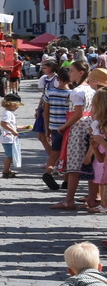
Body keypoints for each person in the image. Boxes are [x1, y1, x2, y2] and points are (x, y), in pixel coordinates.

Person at [55, 66, 101, 212]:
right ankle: (92, 199)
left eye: (71, 71)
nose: (69, 74)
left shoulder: (78, 90)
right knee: (91, 165)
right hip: (90, 125)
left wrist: (63, 127)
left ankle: (69, 200)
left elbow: (78, 113)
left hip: (78, 127)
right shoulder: (92, 90)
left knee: (74, 166)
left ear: (80, 73)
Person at [41, 58, 70, 189]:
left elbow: (45, 112)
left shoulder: (50, 92)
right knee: (68, 154)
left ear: (58, 79)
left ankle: (48, 172)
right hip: (68, 128)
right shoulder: (72, 94)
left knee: (55, 152)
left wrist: (47, 129)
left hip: (54, 126)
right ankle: (66, 180)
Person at [0, 93, 24, 179]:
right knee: (9, 156)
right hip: (7, 138)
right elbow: (4, 123)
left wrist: (24, 127)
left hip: (10, 138)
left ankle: (8, 170)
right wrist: (13, 131)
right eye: (17, 105)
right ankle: (5, 171)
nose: (18, 107)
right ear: (11, 103)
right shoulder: (7, 113)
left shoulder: (9, 113)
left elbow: (12, 125)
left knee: (11, 155)